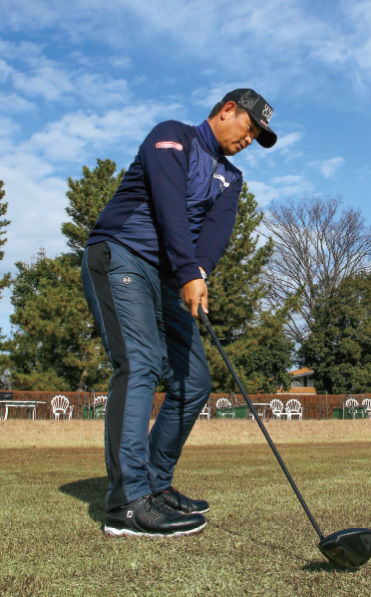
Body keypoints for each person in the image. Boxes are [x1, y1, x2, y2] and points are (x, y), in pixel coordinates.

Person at [81, 88, 278, 537]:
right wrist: (188, 270)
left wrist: (199, 272)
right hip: (121, 255)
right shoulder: (171, 137)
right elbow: (169, 204)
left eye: (258, 137)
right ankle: (127, 502)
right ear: (228, 111)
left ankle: (154, 484)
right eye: (251, 129)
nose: (250, 140)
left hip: (169, 277)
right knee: (140, 363)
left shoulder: (232, 178)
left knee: (194, 381)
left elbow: (214, 235)